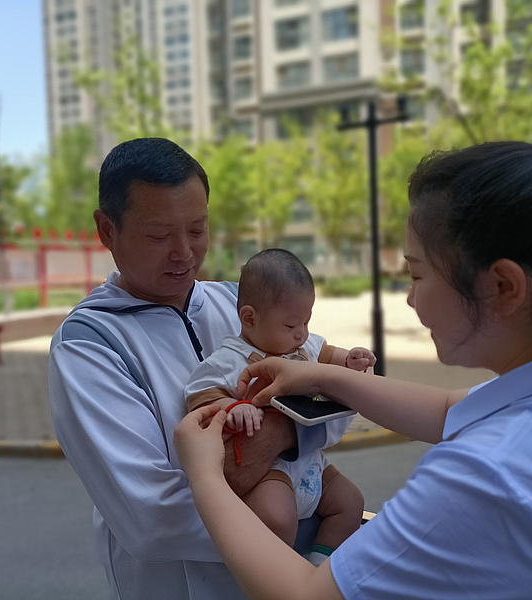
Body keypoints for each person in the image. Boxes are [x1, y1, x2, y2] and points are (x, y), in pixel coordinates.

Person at [174, 142, 532, 599]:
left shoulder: (486, 473)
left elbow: (307, 595)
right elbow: (447, 409)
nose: (411, 299)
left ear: (503, 287)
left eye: (418, 274)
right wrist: (322, 376)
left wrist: (205, 476)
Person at [48, 137, 352, 600]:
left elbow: (342, 397)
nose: (184, 253)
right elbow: (150, 517)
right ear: (107, 229)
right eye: (159, 235)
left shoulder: (238, 302)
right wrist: (297, 430)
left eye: (197, 229)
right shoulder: (90, 345)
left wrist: (283, 433)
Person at [184, 248, 374, 564]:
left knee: (351, 502)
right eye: (290, 325)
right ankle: (283, 575)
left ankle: (319, 565)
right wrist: (231, 407)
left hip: (311, 462)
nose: (301, 334)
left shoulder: (306, 346)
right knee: (277, 519)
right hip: (268, 469)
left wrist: (352, 360)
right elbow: (199, 397)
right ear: (249, 318)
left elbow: (332, 357)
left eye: (307, 321)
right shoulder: (228, 362)